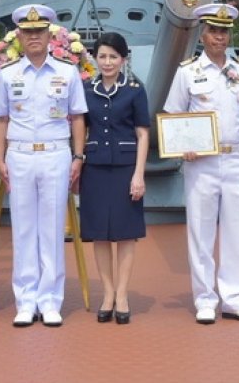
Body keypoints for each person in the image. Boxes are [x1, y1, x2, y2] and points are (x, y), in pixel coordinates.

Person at [165, 3, 239, 325]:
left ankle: (234, 298)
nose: (219, 37)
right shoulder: (187, 72)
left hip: (237, 158)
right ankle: (205, 299)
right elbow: (173, 115)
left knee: (236, 230)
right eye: (213, 30)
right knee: (201, 230)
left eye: (224, 31)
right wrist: (184, 147)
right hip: (202, 164)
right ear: (203, 33)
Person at [0, 4, 87, 328]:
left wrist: (78, 157)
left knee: (51, 228)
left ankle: (49, 301)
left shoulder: (67, 72)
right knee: (23, 229)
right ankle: (25, 300)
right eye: (28, 32)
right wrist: (0, 158)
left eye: (39, 31)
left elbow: (77, 118)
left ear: (49, 35)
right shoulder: (6, 74)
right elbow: (1, 119)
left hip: (55, 153)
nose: (34, 37)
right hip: (18, 155)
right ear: (19, 35)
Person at [79, 32, 149, 325]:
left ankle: (122, 295)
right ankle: (107, 294)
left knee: (125, 233)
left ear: (123, 59)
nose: (107, 62)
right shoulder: (85, 89)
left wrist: (139, 174)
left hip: (124, 167)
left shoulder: (134, 89)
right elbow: (80, 129)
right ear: (95, 57)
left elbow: (143, 132)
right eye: (102, 56)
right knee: (100, 234)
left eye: (113, 56)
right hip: (94, 168)